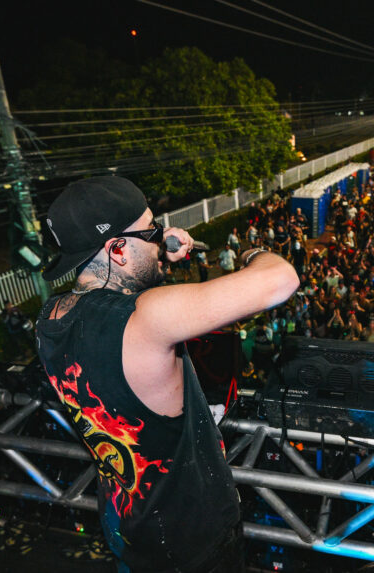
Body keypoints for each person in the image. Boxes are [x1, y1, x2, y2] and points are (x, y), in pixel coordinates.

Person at [35, 177, 299, 573]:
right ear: (118, 249)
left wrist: (154, 260)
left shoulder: (48, 319)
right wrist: (253, 251)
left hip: (127, 523)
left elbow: (124, 325)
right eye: (151, 229)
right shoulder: (147, 319)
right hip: (192, 537)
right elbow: (281, 280)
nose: (163, 236)